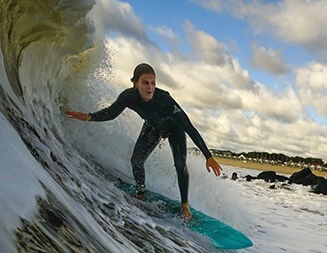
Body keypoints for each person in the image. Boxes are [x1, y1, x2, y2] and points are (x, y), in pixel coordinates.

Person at [66, 63, 222, 221]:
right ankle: (140, 192)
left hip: (175, 129)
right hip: (152, 127)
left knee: (180, 165)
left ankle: (185, 206)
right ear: (135, 83)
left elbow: (189, 127)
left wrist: (208, 156)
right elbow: (111, 113)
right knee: (136, 160)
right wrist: (89, 117)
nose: (150, 87)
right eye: (145, 82)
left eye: (153, 83)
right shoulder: (129, 96)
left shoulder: (166, 101)